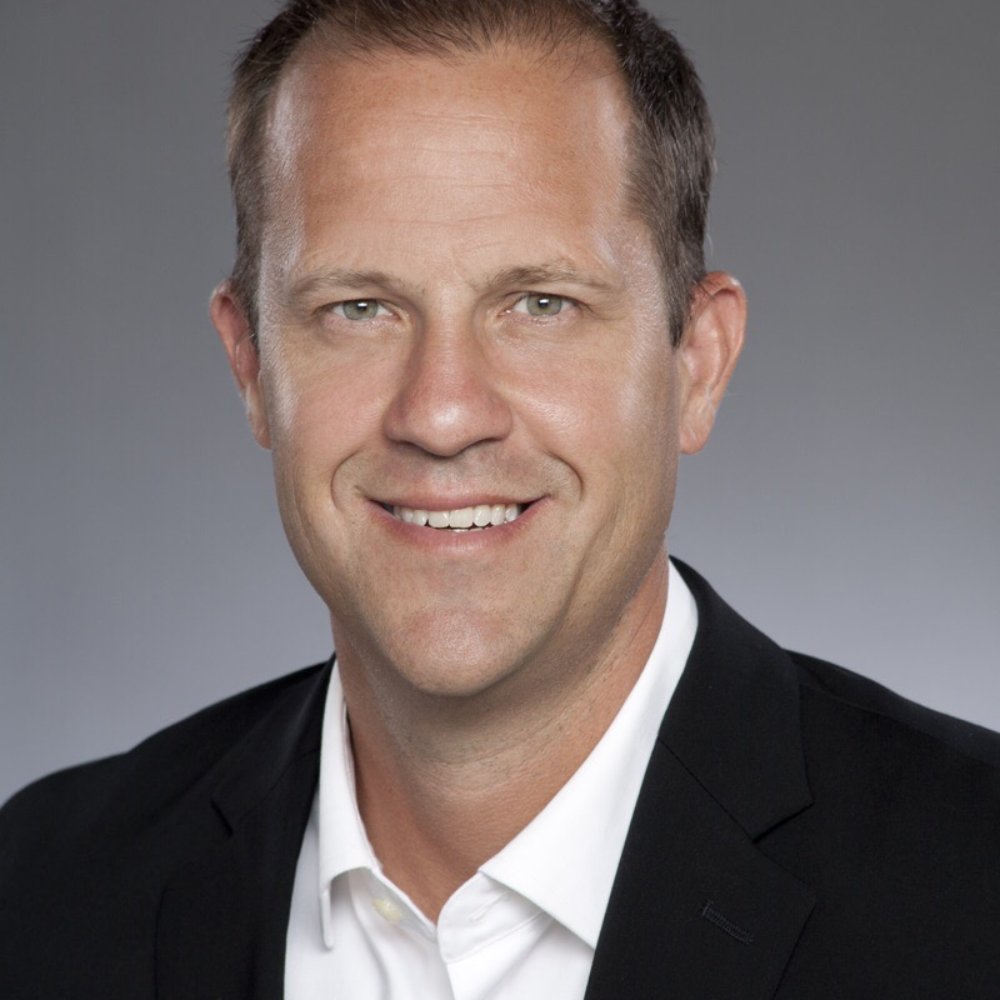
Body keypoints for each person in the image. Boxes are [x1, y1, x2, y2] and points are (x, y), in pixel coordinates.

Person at [2, 1, 998, 997]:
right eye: (358, 308)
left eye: (541, 304)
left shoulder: (973, 884)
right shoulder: (42, 891)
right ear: (250, 364)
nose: (441, 414)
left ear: (697, 362)